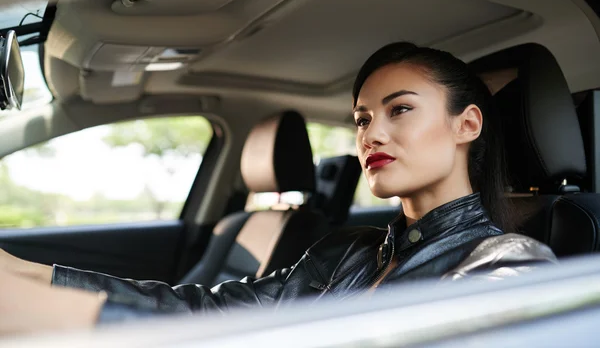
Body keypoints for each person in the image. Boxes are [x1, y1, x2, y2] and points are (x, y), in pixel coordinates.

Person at [0, 42, 557, 335]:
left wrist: (69, 319)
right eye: (362, 119)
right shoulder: (348, 250)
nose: (371, 134)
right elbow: (211, 312)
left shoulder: (507, 264)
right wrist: (28, 275)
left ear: (468, 125)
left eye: (400, 110)